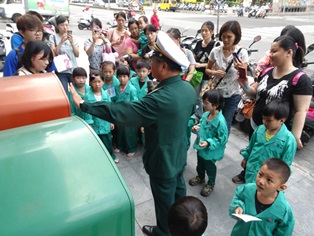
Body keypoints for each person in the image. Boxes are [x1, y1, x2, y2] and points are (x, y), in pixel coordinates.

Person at [69, 31, 196, 236]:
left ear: (163, 66)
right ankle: (182, 226)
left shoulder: (160, 98)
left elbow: (124, 112)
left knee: (164, 200)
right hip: (179, 154)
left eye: (153, 61)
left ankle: (164, 231)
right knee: (179, 193)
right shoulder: (187, 88)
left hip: (162, 161)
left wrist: (85, 105)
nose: (148, 65)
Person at [238, 35, 312, 149]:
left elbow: (300, 111)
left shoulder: (301, 80)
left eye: (274, 51)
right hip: (256, 129)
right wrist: (245, 85)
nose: (269, 54)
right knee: (252, 159)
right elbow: (256, 94)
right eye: (270, 51)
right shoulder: (267, 71)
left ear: (289, 52)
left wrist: (293, 139)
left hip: (276, 138)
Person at [232, 100, 297, 184]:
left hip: (268, 179)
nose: (264, 122)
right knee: (249, 190)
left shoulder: (289, 141)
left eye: (269, 120)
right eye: (263, 119)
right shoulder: (260, 129)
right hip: (252, 169)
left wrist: (279, 181)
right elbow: (251, 146)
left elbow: (286, 164)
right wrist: (246, 157)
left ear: (282, 120)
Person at [229, 158, 295, 235]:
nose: (261, 181)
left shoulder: (284, 211)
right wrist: (238, 206)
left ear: (281, 187)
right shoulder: (247, 189)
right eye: (260, 174)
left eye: (269, 180)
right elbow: (238, 197)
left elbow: (284, 231)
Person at [205, 20, 249, 133]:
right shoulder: (216, 51)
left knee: (225, 123)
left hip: (233, 94)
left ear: (236, 37)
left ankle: (220, 146)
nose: (225, 40)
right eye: (223, 36)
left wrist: (240, 68)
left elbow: (243, 77)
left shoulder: (242, 53)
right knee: (212, 120)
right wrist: (215, 73)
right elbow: (207, 69)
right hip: (216, 94)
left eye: (229, 37)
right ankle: (209, 142)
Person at [188, 90, 228, 197]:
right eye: (203, 102)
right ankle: (200, 177)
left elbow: (222, 139)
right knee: (200, 164)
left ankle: (210, 184)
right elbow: (202, 124)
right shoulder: (206, 114)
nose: (203, 105)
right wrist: (197, 127)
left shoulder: (221, 122)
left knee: (210, 167)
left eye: (206, 103)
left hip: (211, 151)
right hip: (201, 147)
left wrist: (209, 143)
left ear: (215, 105)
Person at [84, 72, 118, 163]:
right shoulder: (87, 96)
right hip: (94, 124)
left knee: (108, 141)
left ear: (103, 82)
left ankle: (111, 157)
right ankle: (99, 159)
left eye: (99, 81)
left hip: (105, 123)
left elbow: (110, 108)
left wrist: (111, 121)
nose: (97, 84)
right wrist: (90, 124)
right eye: (94, 82)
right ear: (90, 83)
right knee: (96, 143)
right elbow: (87, 112)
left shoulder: (106, 94)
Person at [113, 65, 139, 158]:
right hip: (119, 114)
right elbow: (112, 99)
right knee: (120, 131)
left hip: (129, 115)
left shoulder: (132, 89)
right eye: (119, 76)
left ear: (128, 77)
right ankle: (120, 145)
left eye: (124, 76)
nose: (122, 79)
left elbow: (135, 103)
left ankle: (131, 148)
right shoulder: (116, 88)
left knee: (129, 133)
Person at [49, 15, 79, 92]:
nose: (65, 27)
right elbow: (54, 53)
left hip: (73, 69)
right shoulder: (53, 37)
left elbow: (77, 54)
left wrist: (72, 43)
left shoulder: (73, 38)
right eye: (62, 25)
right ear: (57, 26)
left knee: (75, 92)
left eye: (66, 25)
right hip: (61, 70)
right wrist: (61, 42)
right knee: (63, 91)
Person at [193, 21, 220, 96]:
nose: (204, 33)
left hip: (208, 76)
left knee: (204, 97)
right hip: (197, 75)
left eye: (206, 31)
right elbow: (194, 58)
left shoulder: (215, 45)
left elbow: (215, 63)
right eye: (202, 31)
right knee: (196, 97)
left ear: (212, 32)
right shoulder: (198, 43)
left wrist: (201, 65)